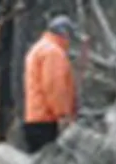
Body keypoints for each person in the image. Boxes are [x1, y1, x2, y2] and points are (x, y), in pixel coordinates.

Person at [23, 15, 77, 153]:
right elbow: (55, 87)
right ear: (64, 33)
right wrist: (63, 115)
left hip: (35, 117)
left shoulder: (39, 48)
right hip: (47, 120)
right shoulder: (53, 52)